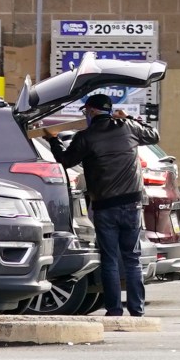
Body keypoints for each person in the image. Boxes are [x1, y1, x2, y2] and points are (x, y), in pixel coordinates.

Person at [50, 92, 147, 317]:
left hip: (105, 206)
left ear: (92, 111)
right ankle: (137, 309)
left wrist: (53, 140)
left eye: (86, 111)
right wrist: (130, 118)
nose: (86, 115)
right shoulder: (128, 127)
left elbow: (64, 161)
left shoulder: (86, 137)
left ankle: (114, 310)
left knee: (110, 258)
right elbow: (154, 135)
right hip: (132, 204)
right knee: (132, 258)